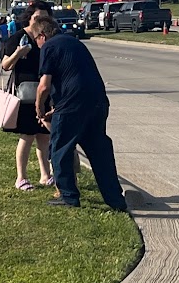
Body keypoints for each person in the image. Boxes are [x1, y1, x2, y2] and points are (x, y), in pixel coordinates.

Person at [34, 18, 127, 211]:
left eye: (36, 39)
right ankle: (115, 199)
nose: (37, 44)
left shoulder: (49, 46)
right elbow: (76, 78)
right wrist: (56, 110)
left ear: (42, 35)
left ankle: (68, 197)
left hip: (72, 107)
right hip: (97, 102)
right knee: (99, 152)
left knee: (60, 150)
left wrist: (39, 107)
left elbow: (44, 86)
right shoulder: (75, 43)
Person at [1, 1, 54, 192]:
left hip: (45, 91)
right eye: (37, 17)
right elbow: (5, 65)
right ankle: (21, 177)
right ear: (29, 18)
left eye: (45, 17)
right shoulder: (19, 37)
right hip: (26, 94)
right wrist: (18, 53)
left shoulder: (48, 37)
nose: (41, 21)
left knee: (44, 136)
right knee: (28, 135)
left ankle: (45, 175)